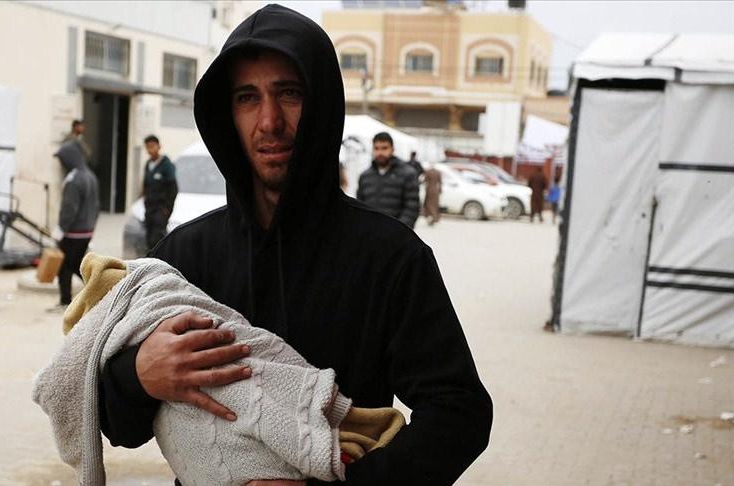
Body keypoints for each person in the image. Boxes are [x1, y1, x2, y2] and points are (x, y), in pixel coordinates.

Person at [97, 5, 491, 485]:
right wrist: (139, 375)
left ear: (322, 104)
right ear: (227, 114)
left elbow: (460, 413)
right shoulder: (183, 257)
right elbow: (118, 425)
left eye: (289, 93)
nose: (269, 121)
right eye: (247, 97)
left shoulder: (390, 257)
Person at [52, 141, 99, 310]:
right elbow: (96, 207)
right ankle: (97, 290)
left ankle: (65, 301)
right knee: (77, 265)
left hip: (73, 232)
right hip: (86, 231)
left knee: (65, 267)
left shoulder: (73, 179)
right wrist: (91, 228)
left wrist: (61, 229)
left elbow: (69, 208)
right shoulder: (90, 176)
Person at [356, 132, 421, 228]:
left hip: (396, 233)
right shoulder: (365, 176)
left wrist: (399, 230)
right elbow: (359, 207)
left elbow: (412, 207)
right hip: (370, 232)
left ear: (392, 149)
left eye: (384, 148)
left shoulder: (408, 174)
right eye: (376, 148)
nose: (380, 152)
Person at [141, 135, 178, 250]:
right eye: (148, 147)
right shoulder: (148, 164)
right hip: (150, 208)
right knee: (148, 238)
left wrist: (167, 208)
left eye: (152, 146)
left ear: (159, 146)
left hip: (161, 209)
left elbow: (173, 188)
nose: (150, 150)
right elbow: (145, 185)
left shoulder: (166, 165)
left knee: (157, 239)